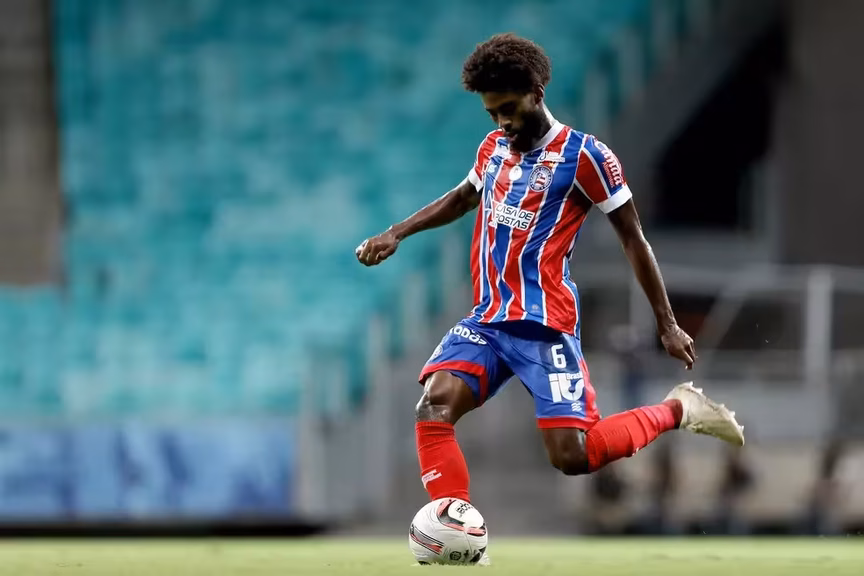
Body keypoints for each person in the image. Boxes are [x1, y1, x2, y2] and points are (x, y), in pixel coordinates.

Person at [355, 34, 743, 554]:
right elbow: (463, 198)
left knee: (572, 456)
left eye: (509, 109)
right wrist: (396, 233)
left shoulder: (586, 156)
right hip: (488, 320)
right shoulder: (493, 148)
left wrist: (667, 323)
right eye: (492, 113)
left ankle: (679, 409)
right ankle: (455, 535)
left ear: (537, 93)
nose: (502, 123)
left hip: (545, 327)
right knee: (433, 406)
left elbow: (634, 239)